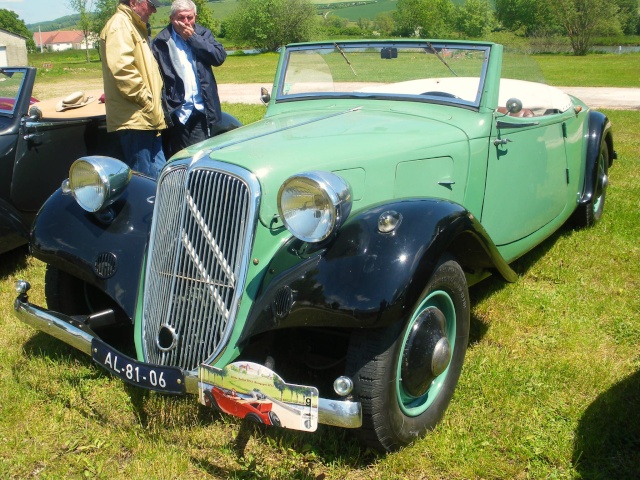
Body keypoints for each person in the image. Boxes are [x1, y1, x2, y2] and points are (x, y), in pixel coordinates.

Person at [100, 0, 167, 179]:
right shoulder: (120, 25)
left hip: (146, 117)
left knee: (161, 177)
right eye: (151, 4)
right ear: (134, 2)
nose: (154, 10)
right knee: (145, 180)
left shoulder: (132, 25)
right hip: (136, 118)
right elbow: (122, 70)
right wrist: (146, 100)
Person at [152, 0, 227, 157]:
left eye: (190, 17)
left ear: (195, 17)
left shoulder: (202, 34)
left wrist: (193, 39)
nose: (186, 22)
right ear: (172, 18)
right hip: (179, 111)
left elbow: (219, 57)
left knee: (208, 156)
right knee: (187, 158)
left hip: (204, 107)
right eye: (181, 18)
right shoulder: (161, 42)